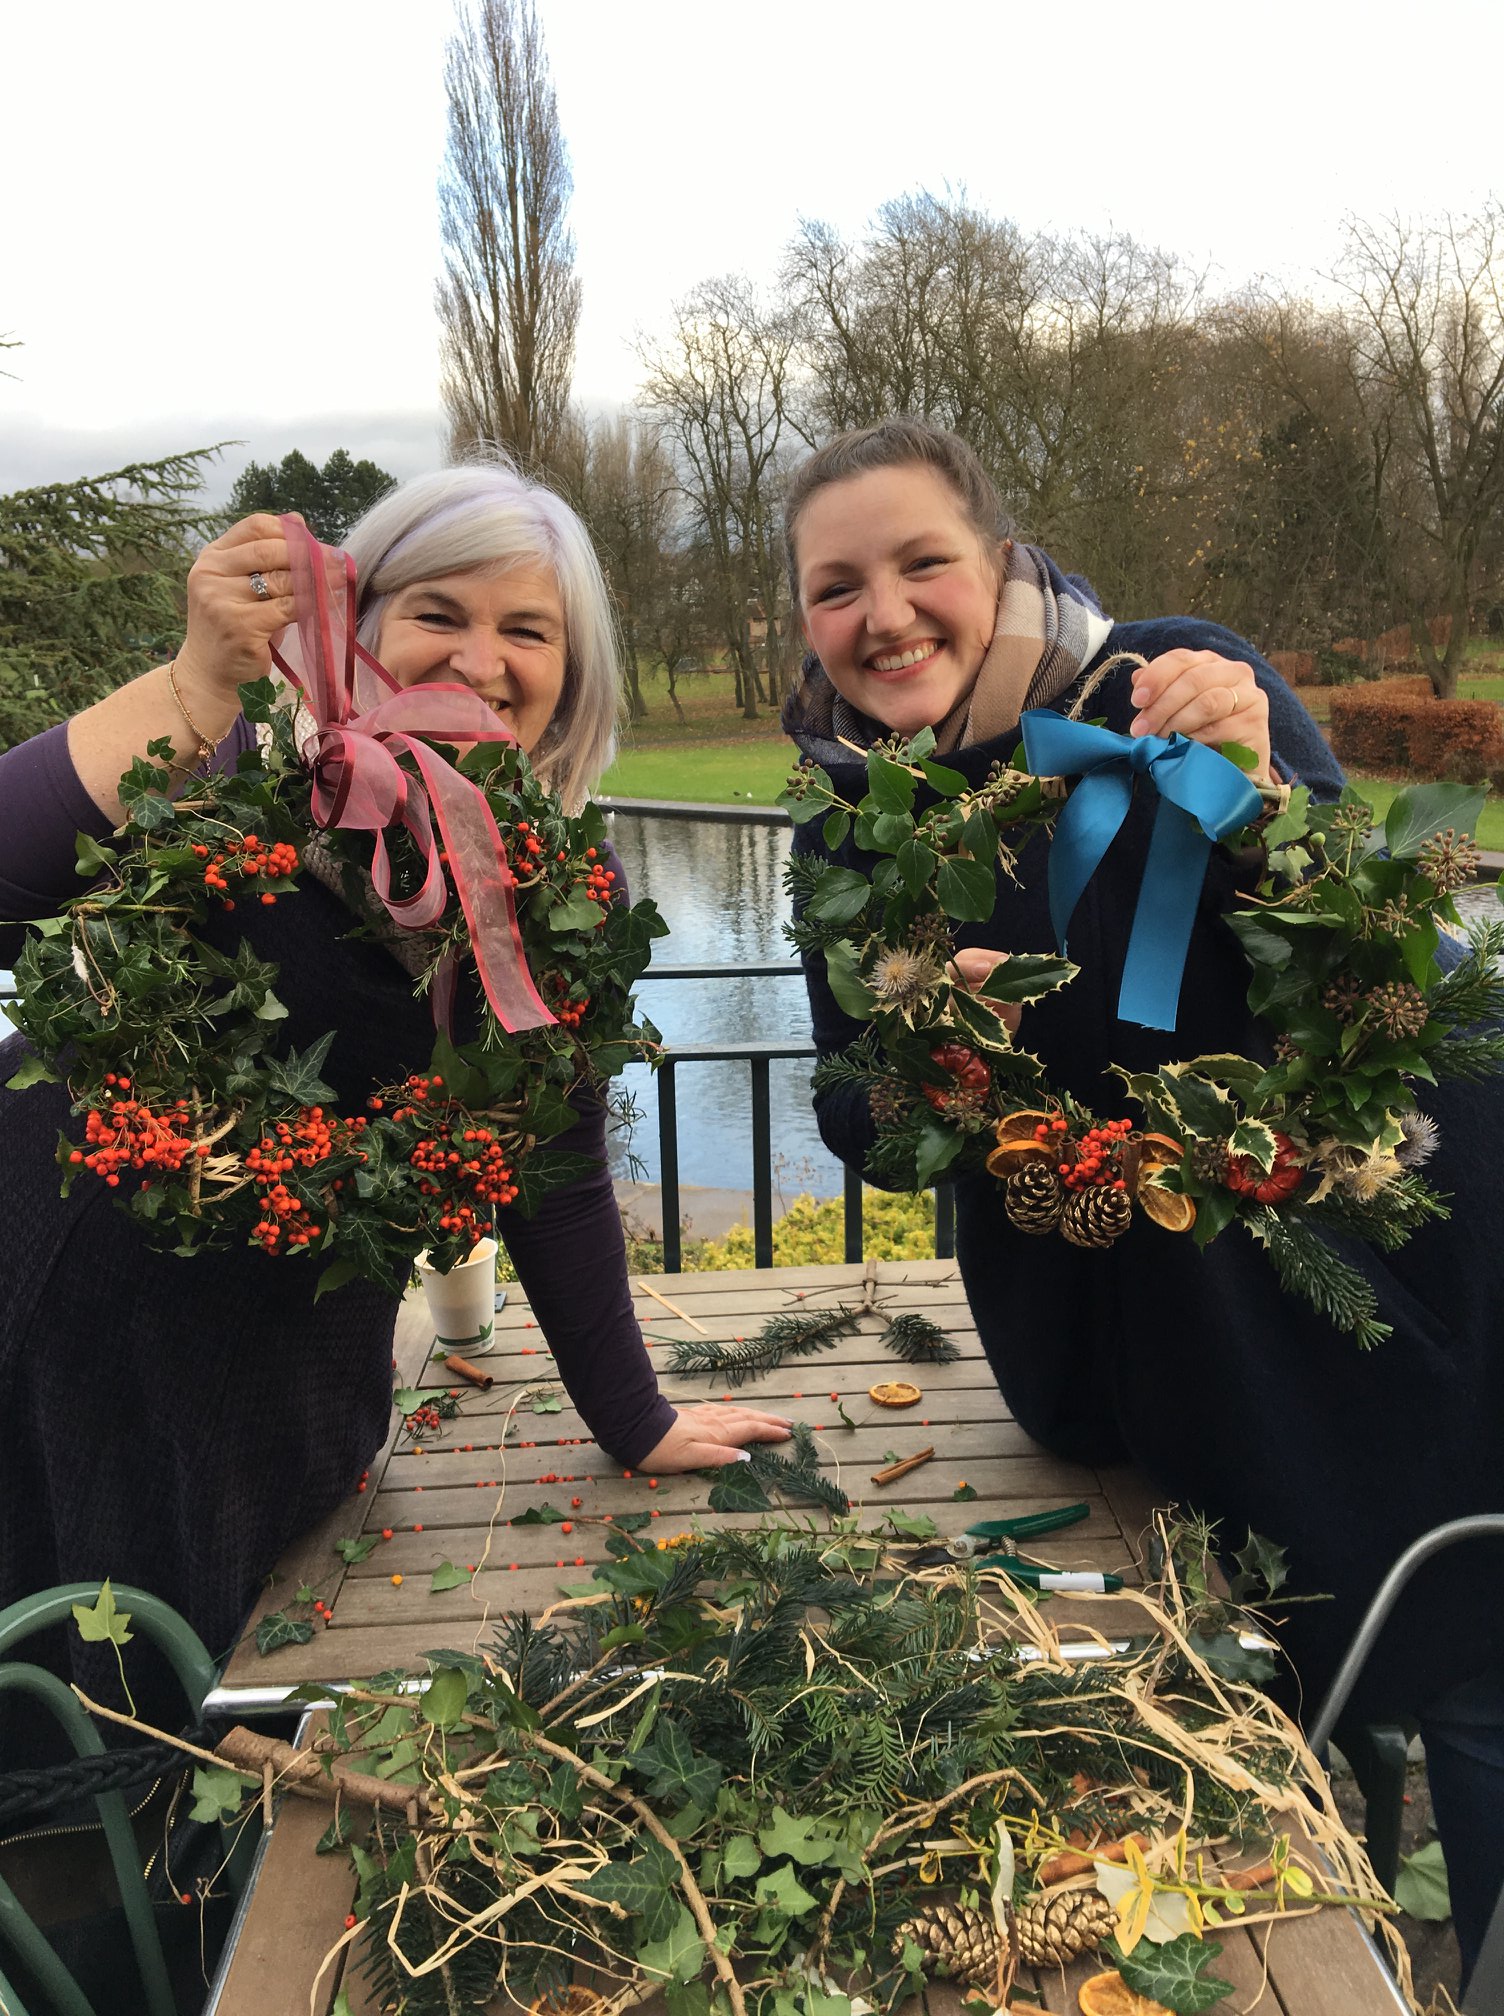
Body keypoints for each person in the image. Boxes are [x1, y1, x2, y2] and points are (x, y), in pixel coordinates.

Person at [781, 417, 1504, 1985]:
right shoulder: (840, 820)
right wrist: (932, 1062)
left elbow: (1365, 967)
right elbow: (849, 1106)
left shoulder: (1172, 681)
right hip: (1128, 1345)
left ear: (997, 563)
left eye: (921, 564)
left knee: (1462, 1655)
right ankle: (1358, 1923)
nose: (883, 615)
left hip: (1367, 1289)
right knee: (1262, 1700)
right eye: (836, 587)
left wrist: (1258, 788)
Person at [0, 462, 789, 1743]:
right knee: (55, 1684)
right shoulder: (238, 763)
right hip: (47, 1284)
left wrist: (633, 1417)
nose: (481, 658)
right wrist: (194, 687)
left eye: (527, 629)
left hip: (278, 1371)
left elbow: (549, 1153)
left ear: (571, 671)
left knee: (214, 1713)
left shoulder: (551, 880)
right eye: (438, 612)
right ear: (359, 624)